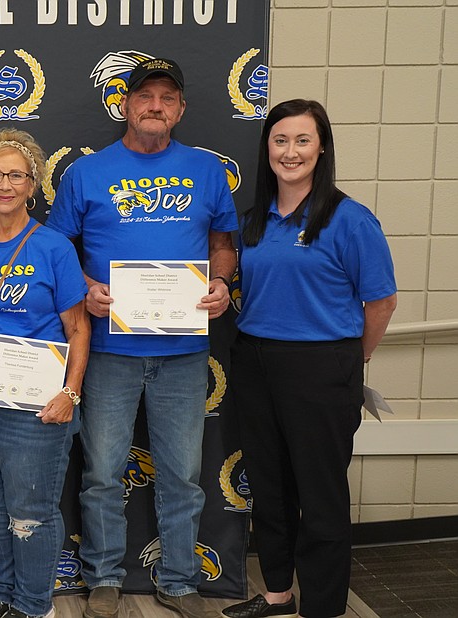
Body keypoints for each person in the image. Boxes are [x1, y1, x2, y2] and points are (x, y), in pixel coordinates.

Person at [46, 57, 238, 618]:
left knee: (182, 474)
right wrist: (85, 288)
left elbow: (223, 243)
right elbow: (58, 252)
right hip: (108, 350)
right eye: (145, 96)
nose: (155, 105)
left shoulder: (206, 172)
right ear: (126, 105)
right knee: (103, 471)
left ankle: (179, 582)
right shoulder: (87, 173)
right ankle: (103, 576)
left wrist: (222, 282)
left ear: (180, 109)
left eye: (167, 97)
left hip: (181, 353)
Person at [222, 100, 397, 618]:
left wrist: (349, 362)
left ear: (322, 148)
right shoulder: (253, 221)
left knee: (319, 496)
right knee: (269, 487)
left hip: (323, 367)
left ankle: (322, 607)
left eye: (302, 140)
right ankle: (278, 594)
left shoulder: (350, 220)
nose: (290, 151)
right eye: (280, 140)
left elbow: (381, 302)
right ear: (267, 149)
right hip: (256, 361)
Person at [0, 129, 90, 618]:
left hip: (37, 405)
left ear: (33, 185)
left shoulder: (53, 248)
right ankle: (3, 594)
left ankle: (35, 606)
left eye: (16, 175)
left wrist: (70, 394)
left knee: (31, 510)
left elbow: (78, 328)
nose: (5, 184)